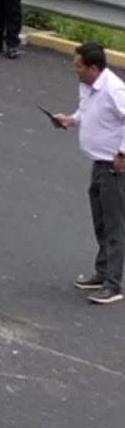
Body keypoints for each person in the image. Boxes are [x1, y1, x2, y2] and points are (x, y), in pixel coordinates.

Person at [52, 42, 125, 306]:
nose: (75, 70)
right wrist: (71, 119)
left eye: (79, 66)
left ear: (94, 68)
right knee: (101, 221)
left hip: (113, 167)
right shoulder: (88, 86)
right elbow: (87, 112)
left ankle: (113, 284)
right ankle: (103, 272)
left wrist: (122, 153)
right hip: (98, 163)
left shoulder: (115, 89)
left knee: (115, 226)